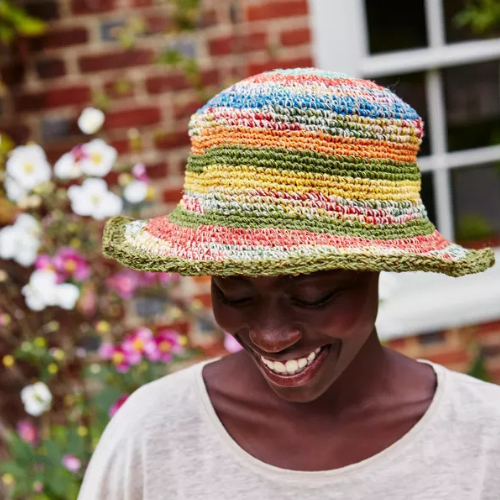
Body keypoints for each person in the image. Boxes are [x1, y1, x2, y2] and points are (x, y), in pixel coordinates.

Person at [78, 68, 499, 499]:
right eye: (235, 293)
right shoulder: (152, 436)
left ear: (379, 265)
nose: (271, 336)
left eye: (312, 297)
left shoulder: (484, 438)